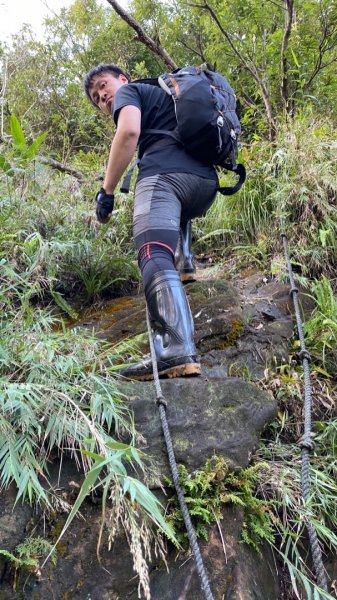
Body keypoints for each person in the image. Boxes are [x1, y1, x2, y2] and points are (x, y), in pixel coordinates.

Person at [84, 63, 218, 380]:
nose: (102, 95)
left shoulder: (130, 93)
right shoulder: (167, 98)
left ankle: (174, 349)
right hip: (204, 186)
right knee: (171, 216)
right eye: (95, 96)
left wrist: (106, 192)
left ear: (123, 80)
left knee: (152, 252)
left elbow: (129, 132)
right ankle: (185, 262)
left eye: (103, 86)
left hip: (164, 177)